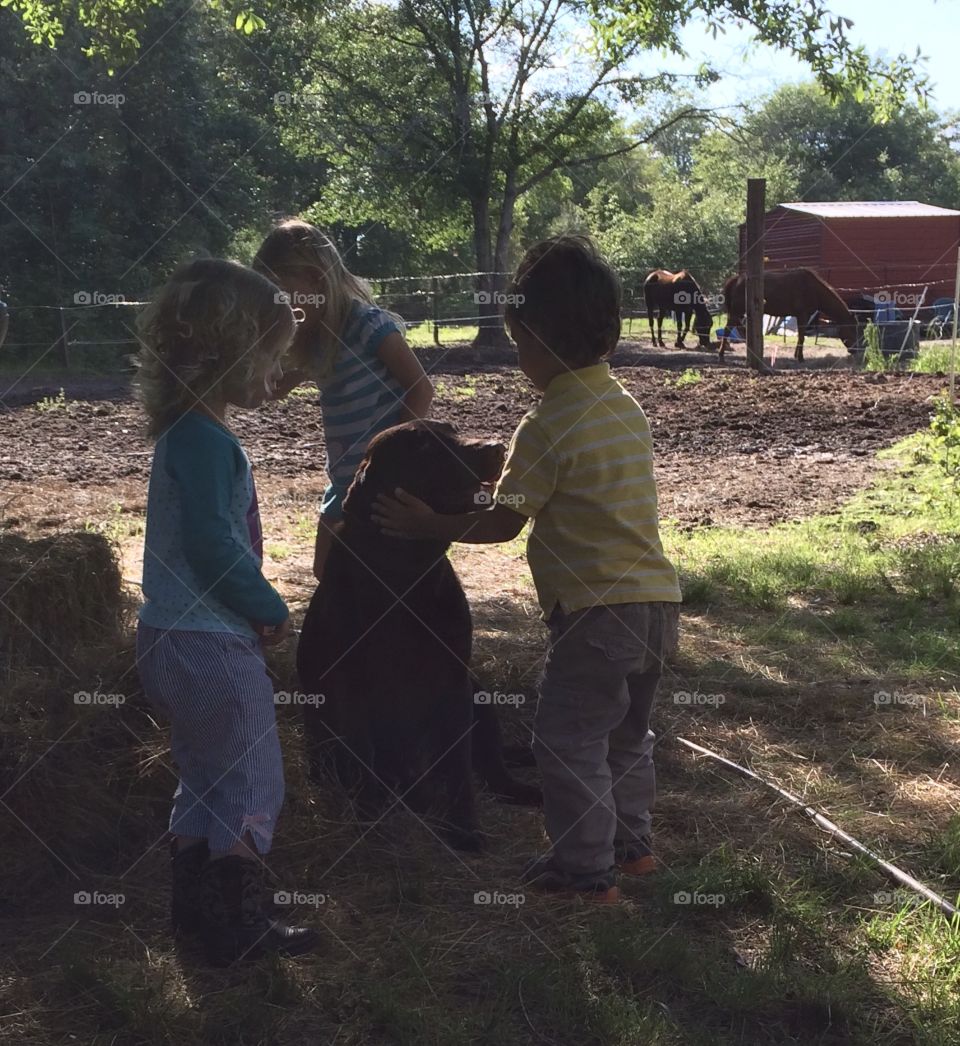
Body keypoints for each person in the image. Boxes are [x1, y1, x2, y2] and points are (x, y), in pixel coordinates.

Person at [374, 235, 681, 902]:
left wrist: (432, 526)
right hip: (657, 606)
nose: (518, 360)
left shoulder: (545, 424)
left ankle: (584, 867)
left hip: (595, 614)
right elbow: (551, 493)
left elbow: (505, 519)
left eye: (517, 345)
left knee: (565, 740)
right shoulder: (623, 406)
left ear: (535, 339)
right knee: (626, 737)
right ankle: (633, 849)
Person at [135, 257, 319, 964]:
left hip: (165, 640)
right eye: (272, 356)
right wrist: (269, 607)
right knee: (250, 779)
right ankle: (237, 926)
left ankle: (193, 913)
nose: (278, 371)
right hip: (213, 645)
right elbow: (215, 546)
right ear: (233, 353)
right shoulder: (210, 442)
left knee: (203, 774)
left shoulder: (183, 431)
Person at [252, 220, 433, 580]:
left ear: (315, 279)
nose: (280, 306)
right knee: (326, 570)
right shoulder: (318, 340)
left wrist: (393, 455)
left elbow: (421, 387)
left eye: (283, 293)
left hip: (384, 480)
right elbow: (272, 389)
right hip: (346, 479)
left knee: (384, 572)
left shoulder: (368, 325)